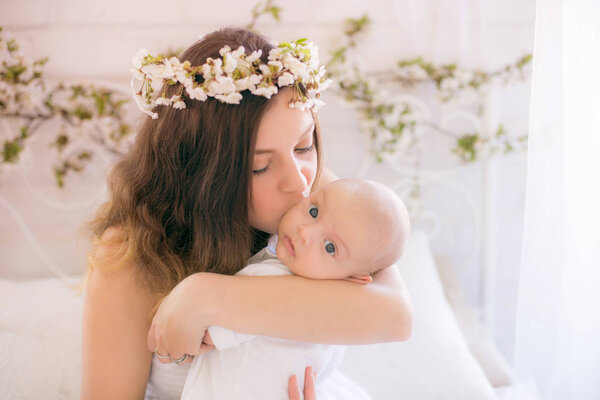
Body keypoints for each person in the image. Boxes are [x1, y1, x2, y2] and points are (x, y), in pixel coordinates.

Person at [81, 26, 413, 400]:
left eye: (303, 146)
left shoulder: (321, 204)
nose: (298, 183)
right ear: (201, 174)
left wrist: (203, 296)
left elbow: (395, 316)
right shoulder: (130, 257)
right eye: (259, 167)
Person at [181, 178, 411, 399]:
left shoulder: (267, 282)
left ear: (356, 278)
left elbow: (203, 336)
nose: (304, 233)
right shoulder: (337, 320)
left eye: (330, 247)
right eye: (313, 212)